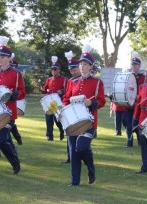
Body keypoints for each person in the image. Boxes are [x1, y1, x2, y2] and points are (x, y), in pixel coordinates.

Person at [63, 43, 105, 186]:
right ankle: (74, 181)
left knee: (81, 147)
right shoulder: (71, 82)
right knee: (73, 152)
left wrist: (90, 103)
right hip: (73, 121)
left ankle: (90, 168)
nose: (82, 66)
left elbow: (101, 101)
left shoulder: (97, 83)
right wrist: (65, 106)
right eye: (81, 64)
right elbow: (65, 99)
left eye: (85, 64)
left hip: (89, 122)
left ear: (91, 66)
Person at [0, 36, 25, 176]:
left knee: (1, 141)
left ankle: (14, 161)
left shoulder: (16, 74)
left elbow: (22, 93)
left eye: (3, 56)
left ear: (9, 58)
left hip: (8, 113)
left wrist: (12, 95)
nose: (0, 59)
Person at [40, 56, 67, 141]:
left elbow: (67, 90)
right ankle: (49, 136)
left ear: (59, 70)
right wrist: (42, 89)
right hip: (49, 103)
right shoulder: (49, 79)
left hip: (58, 103)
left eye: (55, 69)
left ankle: (62, 131)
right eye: (52, 69)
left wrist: (62, 91)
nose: (53, 71)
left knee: (57, 120)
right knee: (48, 120)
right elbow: (45, 90)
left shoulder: (64, 79)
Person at [61, 51, 80, 163]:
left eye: (74, 68)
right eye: (71, 69)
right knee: (70, 135)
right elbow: (66, 96)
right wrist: (64, 105)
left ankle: (78, 157)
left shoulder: (82, 80)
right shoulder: (70, 81)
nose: (72, 71)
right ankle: (71, 157)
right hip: (70, 111)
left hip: (80, 110)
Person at [128, 51, 147, 147]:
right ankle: (130, 139)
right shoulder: (127, 76)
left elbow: (146, 90)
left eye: (136, 65)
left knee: (137, 123)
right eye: (133, 64)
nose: (134, 66)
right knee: (126, 121)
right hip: (128, 104)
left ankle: (136, 140)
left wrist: (139, 96)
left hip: (139, 105)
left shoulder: (144, 78)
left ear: (139, 66)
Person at [9, 56, 23, 145]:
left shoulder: (17, 74)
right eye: (12, 65)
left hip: (12, 103)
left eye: (14, 66)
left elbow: (21, 90)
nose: (12, 67)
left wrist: (14, 94)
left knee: (11, 125)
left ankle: (17, 137)